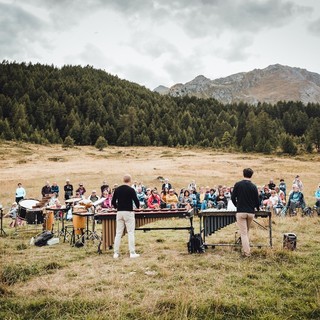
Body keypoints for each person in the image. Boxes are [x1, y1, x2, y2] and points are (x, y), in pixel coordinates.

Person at [231, 168, 260, 258]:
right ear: (251, 175)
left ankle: (247, 253)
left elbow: (232, 198)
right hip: (250, 212)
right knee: (246, 232)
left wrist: (237, 205)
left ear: (243, 174)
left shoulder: (238, 184)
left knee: (243, 233)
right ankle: (245, 249)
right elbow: (257, 200)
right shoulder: (254, 186)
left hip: (241, 212)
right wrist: (257, 208)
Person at [111, 174, 140, 259]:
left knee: (118, 233)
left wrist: (117, 207)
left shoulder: (117, 189)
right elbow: (136, 201)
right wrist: (138, 207)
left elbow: (113, 202)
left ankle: (116, 253)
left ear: (123, 180)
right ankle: (132, 253)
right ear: (130, 181)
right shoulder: (131, 190)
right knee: (130, 232)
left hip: (119, 212)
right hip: (128, 212)